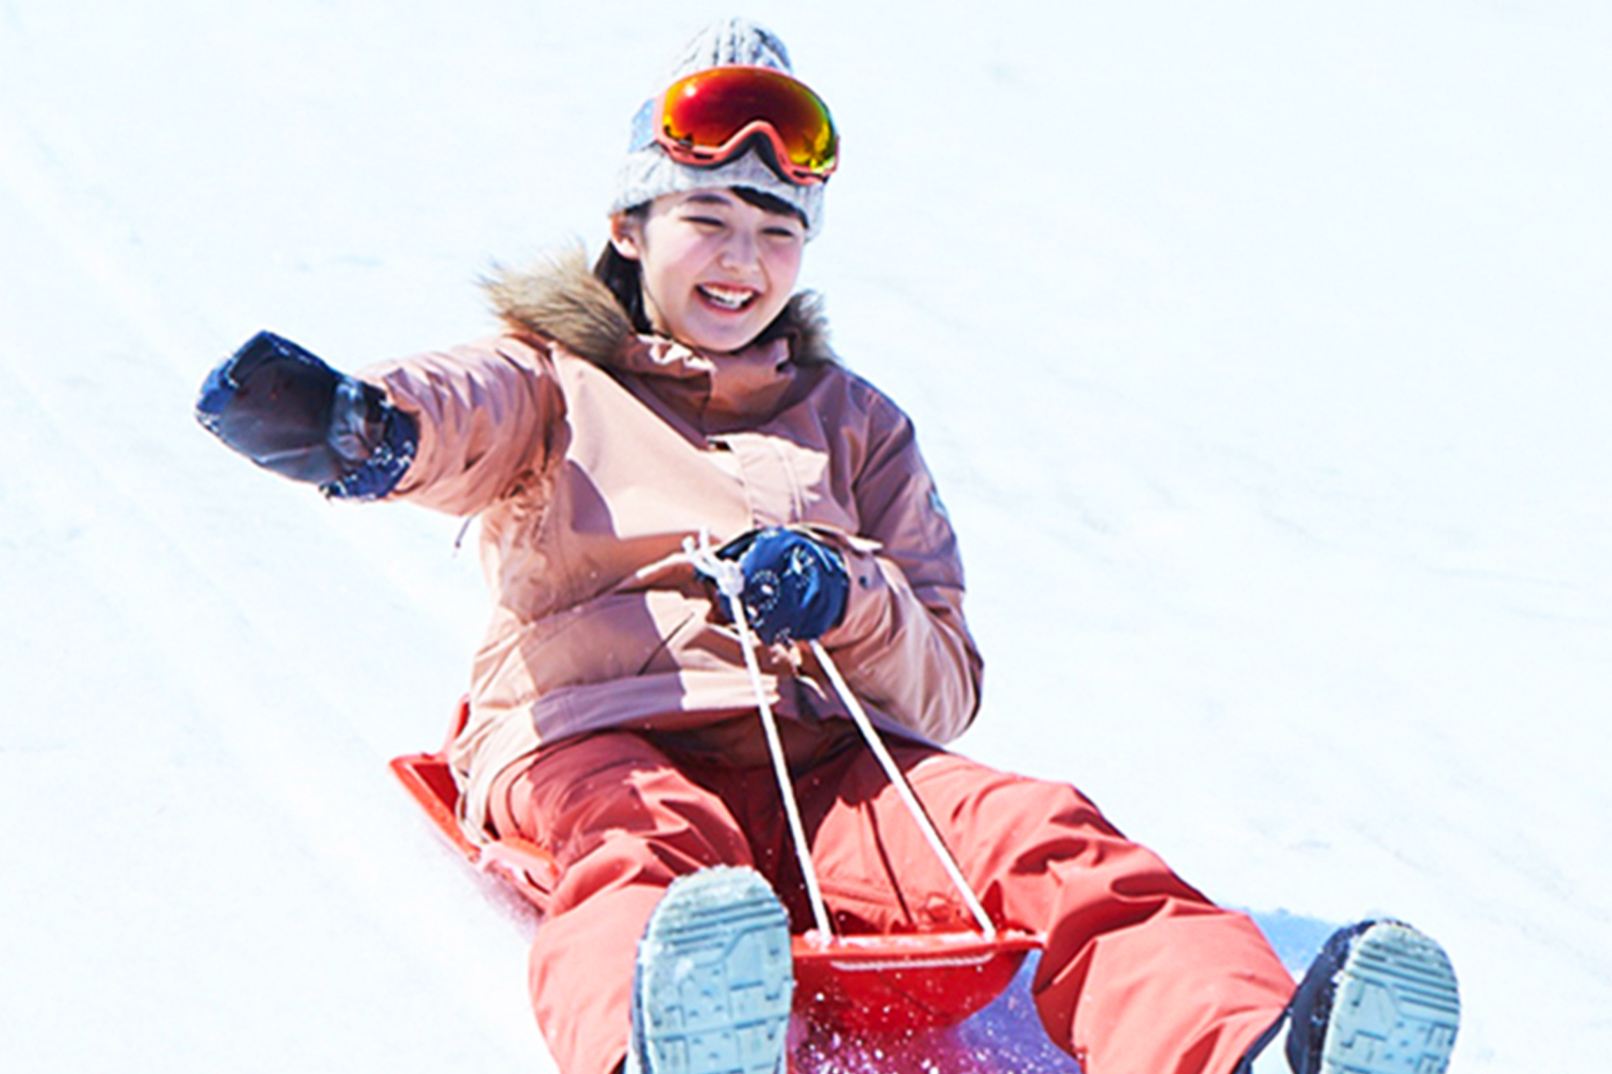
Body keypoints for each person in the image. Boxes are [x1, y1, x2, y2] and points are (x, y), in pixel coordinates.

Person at [195, 17, 1460, 1074]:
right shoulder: (552, 378)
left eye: (775, 228)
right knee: (645, 846)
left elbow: (944, 684)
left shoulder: (858, 426)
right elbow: (455, 414)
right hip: (598, 732)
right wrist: (362, 427)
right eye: (707, 218)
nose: (742, 260)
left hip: (825, 762)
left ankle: (1239, 1045)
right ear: (631, 226)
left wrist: (846, 595)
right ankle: (653, 1040)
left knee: (1042, 831)